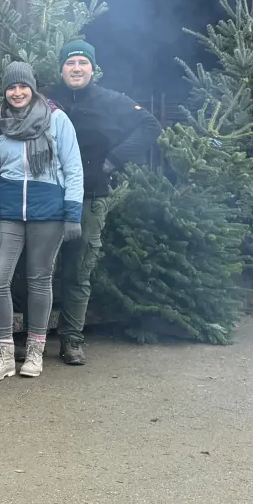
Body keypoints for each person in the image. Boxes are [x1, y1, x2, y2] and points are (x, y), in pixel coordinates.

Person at [44, 40, 161, 365]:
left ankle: (71, 339)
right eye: (70, 63)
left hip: (90, 198)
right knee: (38, 272)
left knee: (79, 271)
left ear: (92, 69)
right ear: (61, 69)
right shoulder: (45, 99)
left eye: (83, 62)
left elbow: (150, 125)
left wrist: (113, 160)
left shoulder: (111, 101)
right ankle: (35, 337)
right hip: (47, 199)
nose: (77, 68)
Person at [0, 61, 84, 380]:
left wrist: (72, 214)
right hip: (8, 213)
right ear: (5, 91)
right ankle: (4, 353)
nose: (17, 92)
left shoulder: (57, 119)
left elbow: (74, 167)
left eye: (23, 86)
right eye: (11, 87)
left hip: (48, 212)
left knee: (39, 279)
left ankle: (36, 350)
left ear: (32, 87)